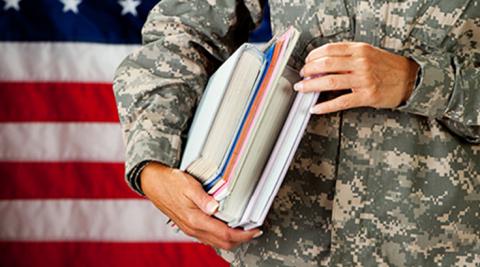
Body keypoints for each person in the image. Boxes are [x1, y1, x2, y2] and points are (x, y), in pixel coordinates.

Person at [113, 0, 480, 266]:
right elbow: (182, 33)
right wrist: (152, 162)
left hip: (444, 247)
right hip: (287, 243)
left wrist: (420, 82)